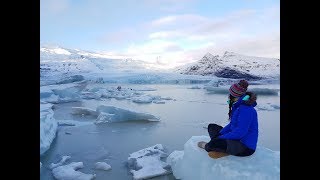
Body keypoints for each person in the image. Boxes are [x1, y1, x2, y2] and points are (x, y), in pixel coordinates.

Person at [198, 79, 258, 158]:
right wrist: (220, 134)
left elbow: (240, 132)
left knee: (213, 144)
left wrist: (220, 138)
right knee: (212, 127)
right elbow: (232, 125)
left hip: (245, 146)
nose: (229, 96)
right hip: (236, 138)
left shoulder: (246, 110)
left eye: (231, 94)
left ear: (236, 95)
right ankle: (223, 147)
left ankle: (211, 146)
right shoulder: (238, 106)